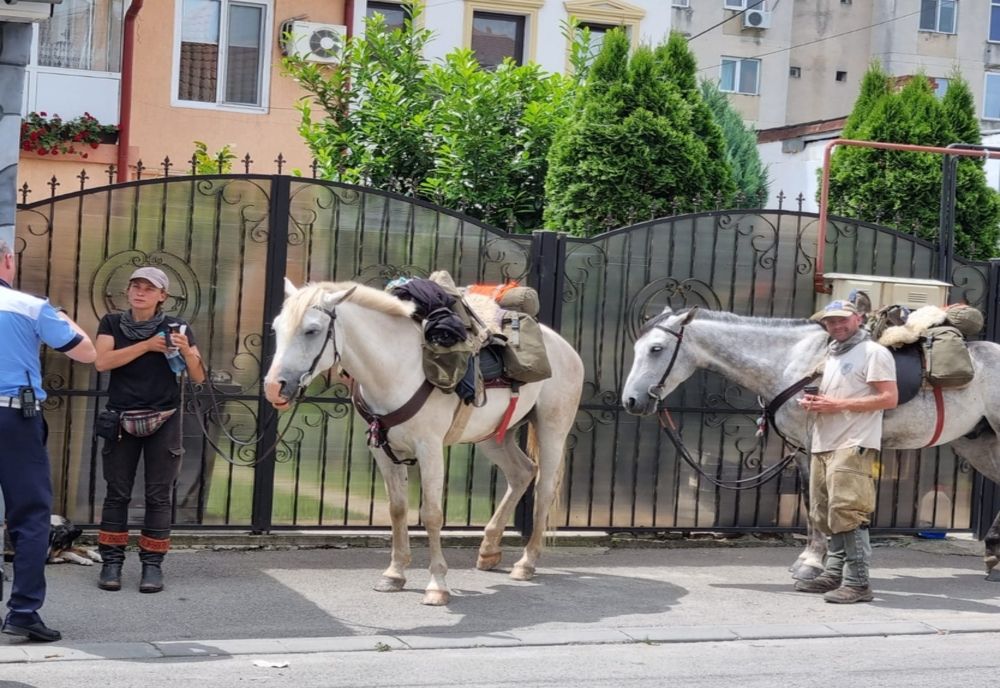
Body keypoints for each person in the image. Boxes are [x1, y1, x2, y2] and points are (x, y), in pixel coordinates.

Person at [0, 238, 96, 642]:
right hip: (14, 419)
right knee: (30, 516)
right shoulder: (28, 306)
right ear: (6, 260)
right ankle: (23, 611)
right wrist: (59, 315)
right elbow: (86, 352)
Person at [94, 267, 204, 594]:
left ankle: (152, 567)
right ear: (127, 291)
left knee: (158, 496)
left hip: (164, 418)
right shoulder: (112, 324)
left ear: (161, 296)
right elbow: (102, 362)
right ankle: (111, 563)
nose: (140, 292)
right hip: (121, 418)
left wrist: (184, 349)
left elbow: (198, 376)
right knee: (117, 492)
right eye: (135, 286)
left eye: (148, 288)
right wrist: (145, 346)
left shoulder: (177, 327)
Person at [796, 299, 898, 604]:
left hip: (853, 441)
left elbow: (889, 398)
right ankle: (834, 573)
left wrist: (836, 405)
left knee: (848, 511)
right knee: (827, 512)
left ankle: (859, 583)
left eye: (842, 320)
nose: (836, 326)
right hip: (825, 441)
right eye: (830, 322)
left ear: (858, 318)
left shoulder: (874, 352)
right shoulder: (833, 353)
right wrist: (815, 404)